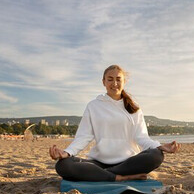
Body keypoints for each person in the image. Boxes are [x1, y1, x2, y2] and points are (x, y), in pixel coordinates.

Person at [49, 65, 180, 182]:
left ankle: (101, 176)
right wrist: (67, 152)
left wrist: (160, 147)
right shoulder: (93, 106)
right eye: (110, 79)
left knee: (156, 155)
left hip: (128, 163)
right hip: (98, 163)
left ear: (124, 82)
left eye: (118, 79)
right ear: (103, 82)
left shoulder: (134, 108)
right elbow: (83, 137)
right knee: (63, 165)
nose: (114, 83)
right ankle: (119, 177)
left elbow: (141, 137)